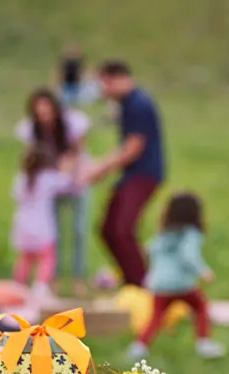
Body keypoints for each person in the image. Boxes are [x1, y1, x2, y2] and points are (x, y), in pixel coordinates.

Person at [85, 59, 165, 288]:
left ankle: (143, 284)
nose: (103, 91)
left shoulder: (138, 104)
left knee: (122, 229)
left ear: (118, 79)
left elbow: (133, 147)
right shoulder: (126, 104)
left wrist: (101, 168)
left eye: (105, 84)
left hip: (144, 173)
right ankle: (131, 278)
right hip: (131, 175)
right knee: (108, 229)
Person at [128, 192, 224, 359]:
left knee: (156, 317)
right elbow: (189, 255)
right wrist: (203, 271)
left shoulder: (164, 233)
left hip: (159, 284)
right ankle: (204, 343)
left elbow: (149, 250)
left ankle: (139, 347)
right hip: (181, 284)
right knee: (200, 308)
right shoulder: (191, 233)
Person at [15, 87, 91, 295]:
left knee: (78, 230)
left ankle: (77, 277)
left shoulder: (71, 123)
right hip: (52, 183)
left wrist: (70, 170)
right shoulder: (32, 130)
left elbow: (79, 150)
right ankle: (52, 278)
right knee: (52, 231)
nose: (44, 118)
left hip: (73, 179)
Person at [10, 147, 81, 300]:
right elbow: (66, 184)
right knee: (47, 257)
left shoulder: (21, 179)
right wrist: (67, 168)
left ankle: (18, 286)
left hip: (23, 225)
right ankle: (40, 287)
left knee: (25, 258)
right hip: (42, 225)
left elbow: (15, 195)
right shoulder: (47, 178)